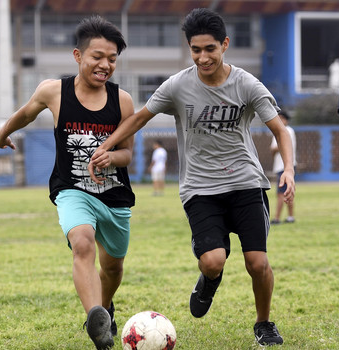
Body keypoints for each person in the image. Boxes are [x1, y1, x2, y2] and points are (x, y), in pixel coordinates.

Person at [89, 8, 294, 346]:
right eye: (195, 50)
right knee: (213, 261)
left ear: (224, 45)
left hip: (246, 183)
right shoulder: (178, 86)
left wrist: (288, 169)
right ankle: (209, 280)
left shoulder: (246, 83)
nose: (202, 57)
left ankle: (264, 323)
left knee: (257, 263)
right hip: (200, 188)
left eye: (209, 49)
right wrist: (107, 146)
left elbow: (280, 131)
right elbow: (139, 118)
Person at [0, 16, 133, 350]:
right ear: (78, 56)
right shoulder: (53, 91)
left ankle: (105, 306)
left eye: (112, 59)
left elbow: (128, 153)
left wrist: (111, 157)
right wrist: (3, 133)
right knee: (82, 242)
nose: (105, 65)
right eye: (97, 57)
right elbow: (27, 112)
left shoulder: (123, 101)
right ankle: (96, 321)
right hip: (72, 189)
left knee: (112, 268)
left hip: (114, 196)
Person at [270, 110, 296, 225]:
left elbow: (275, 148)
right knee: (288, 191)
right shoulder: (287, 131)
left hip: (284, 167)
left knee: (281, 193)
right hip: (283, 166)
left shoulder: (285, 131)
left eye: (281, 118)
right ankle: (290, 217)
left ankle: (277, 218)